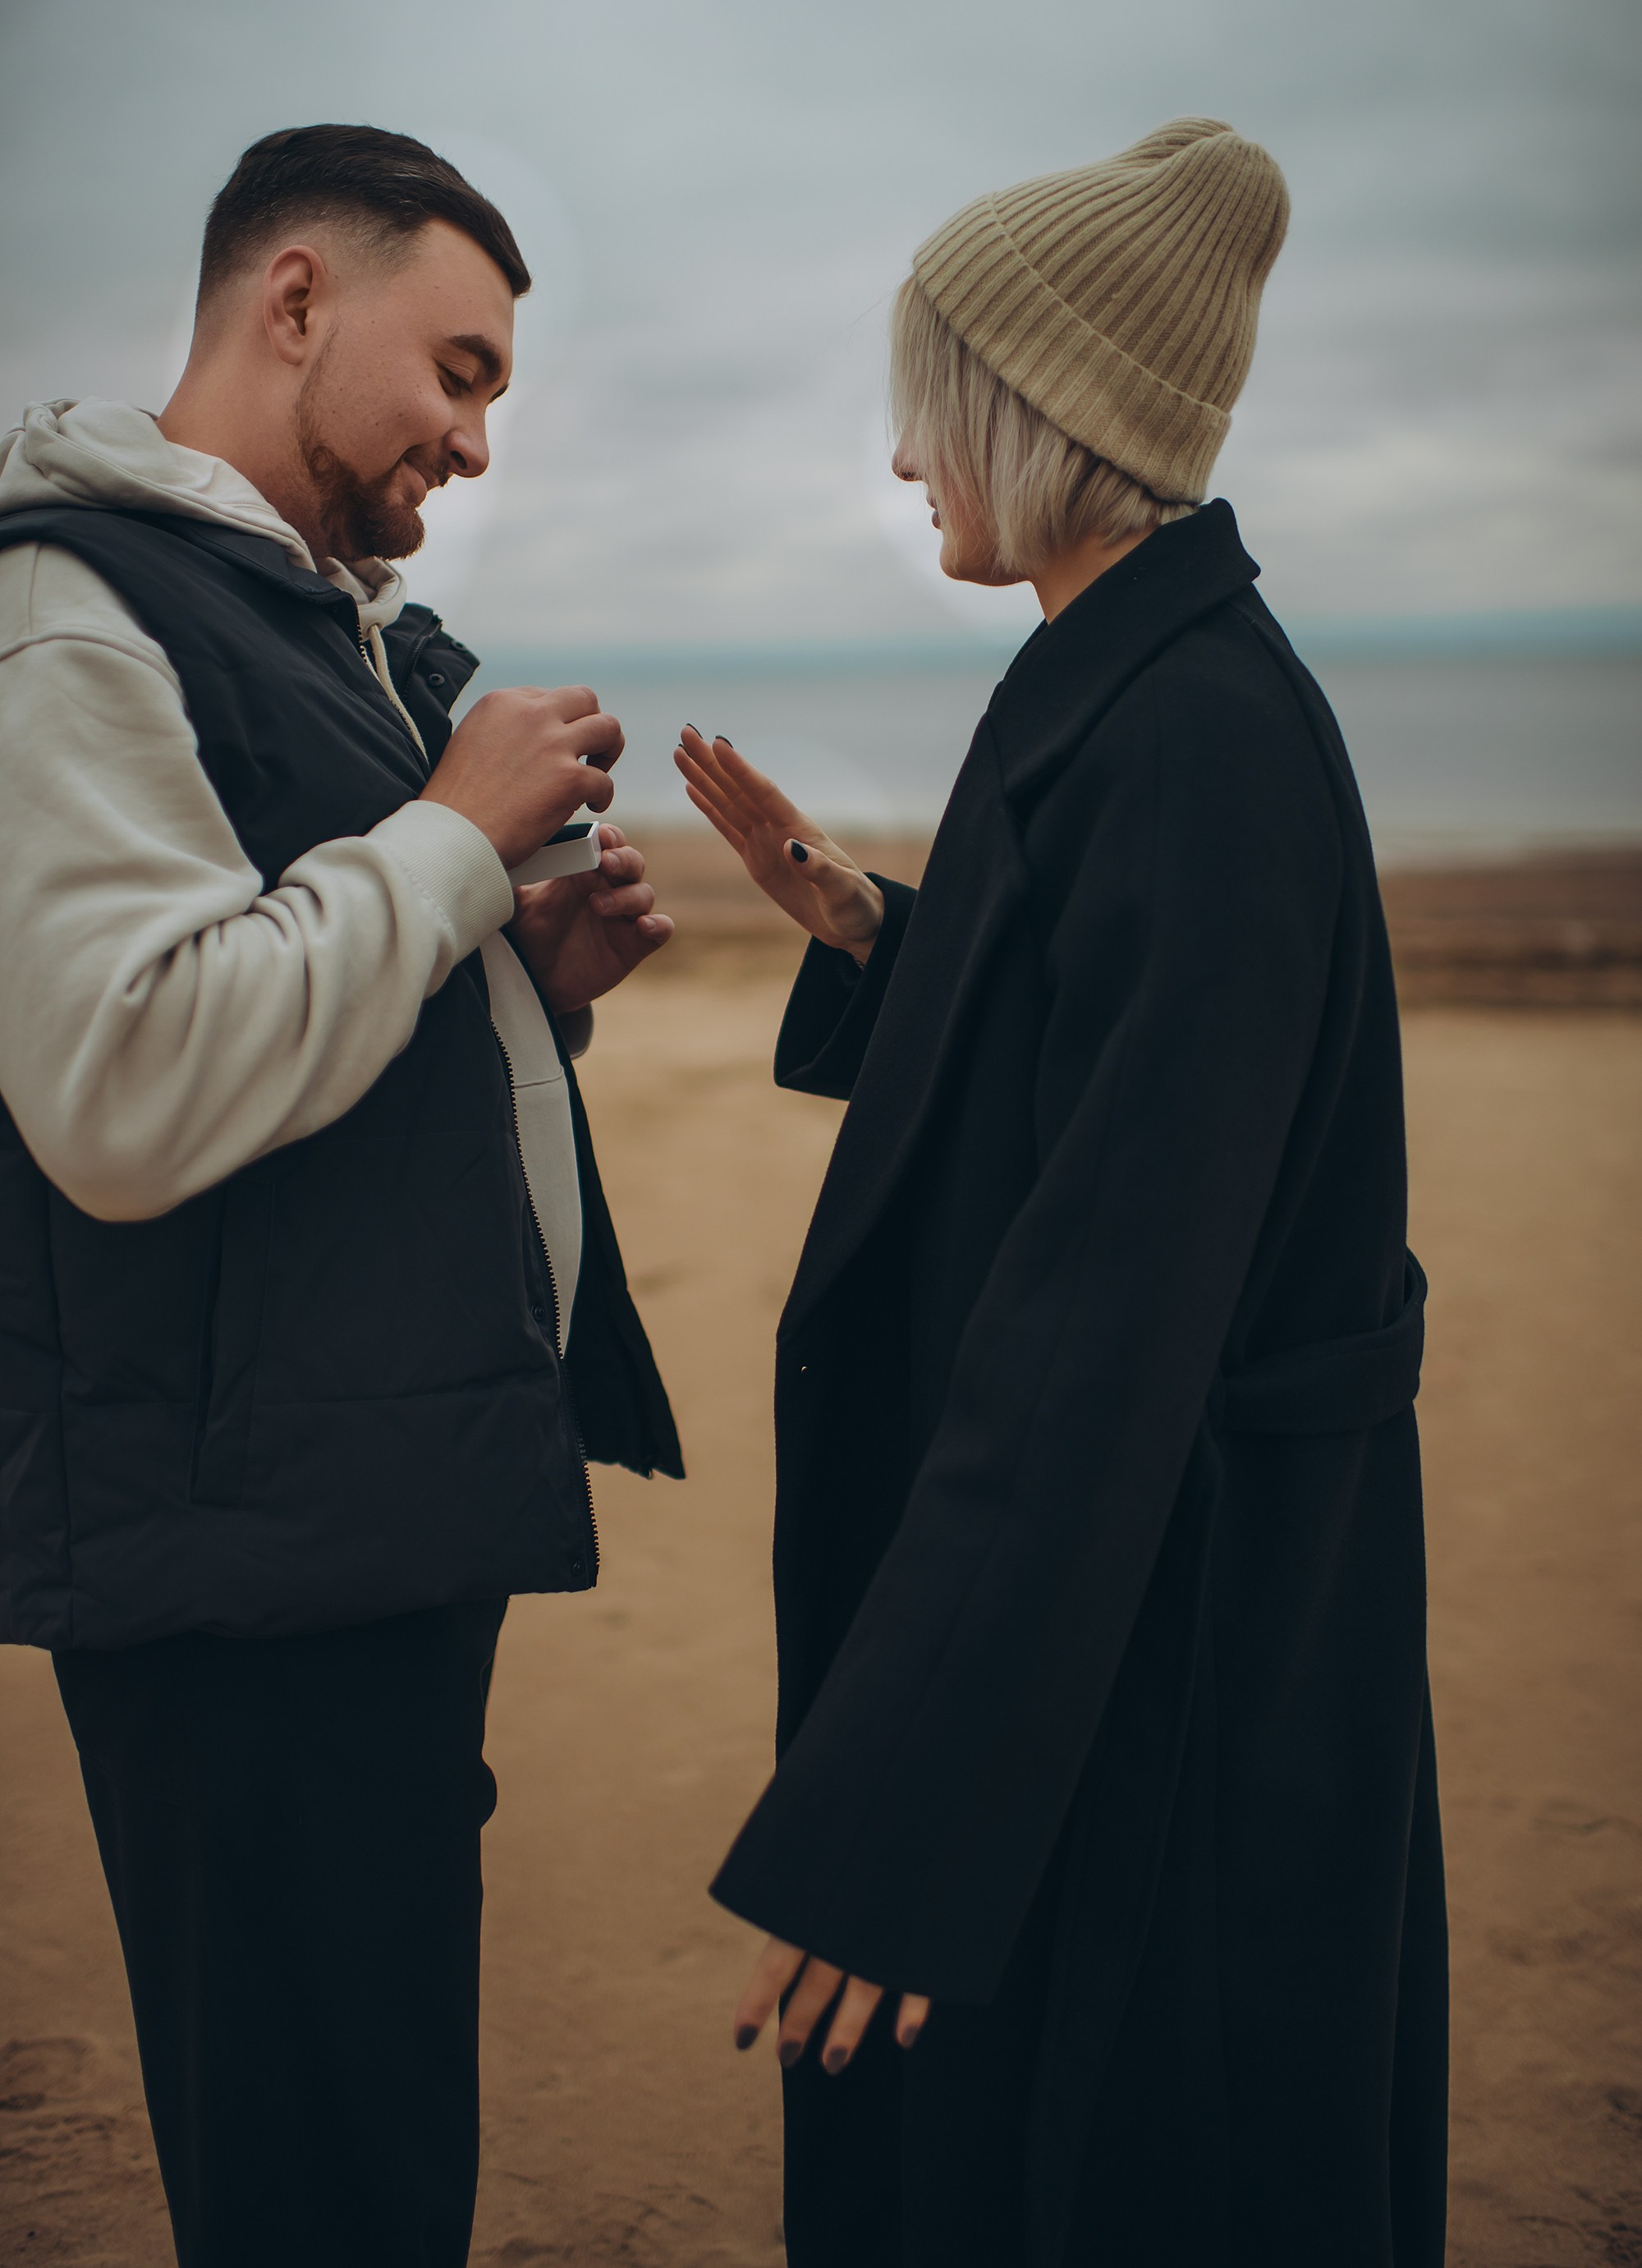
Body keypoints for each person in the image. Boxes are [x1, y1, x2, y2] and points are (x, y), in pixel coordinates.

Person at [676, 119, 1446, 2268]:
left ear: (1044, 410)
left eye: (929, 401)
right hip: (1128, 1616)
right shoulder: (1136, 691)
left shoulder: (1194, 738)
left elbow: (1110, 1311)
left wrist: (914, 1807)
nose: (906, 456)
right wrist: (880, 938)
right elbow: (1116, 1075)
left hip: (1164, 1658)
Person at [0, 123, 682, 2268]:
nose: (474, 439)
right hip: (239, 1572)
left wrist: (522, 993)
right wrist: (456, 845)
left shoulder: (330, 623)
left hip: (360, 1520)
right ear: (294, 299)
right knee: (321, 2197)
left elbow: (310, 1031)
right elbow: (122, 1081)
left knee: (381, 2169)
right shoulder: (77, 612)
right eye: (457, 370)